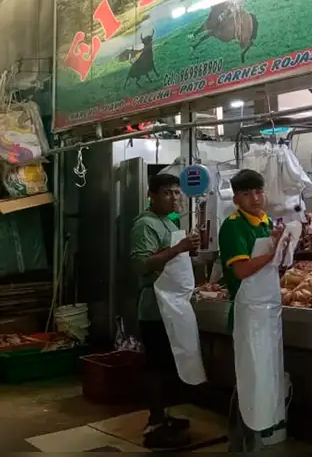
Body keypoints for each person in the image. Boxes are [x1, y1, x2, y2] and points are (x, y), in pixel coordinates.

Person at [131, 173, 201, 449]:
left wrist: (187, 251)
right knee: (157, 368)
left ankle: (165, 416)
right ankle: (155, 427)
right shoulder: (145, 224)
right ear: (151, 195)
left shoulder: (168, 222)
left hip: (171, 305)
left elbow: (169, 258)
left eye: (176, 192)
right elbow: (142, 265)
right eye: (166, 193)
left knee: (170, 366)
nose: (173, 198)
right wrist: (179, 248)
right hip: (154, 308)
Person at [218, 169, 285, 452]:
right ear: (236, 199)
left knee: (265, 376)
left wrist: (284, 245)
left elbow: (276, 267)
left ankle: (262, 434)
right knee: (248, 378)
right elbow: (242, 269)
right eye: (247, 194)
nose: (255, 198)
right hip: (247, 315)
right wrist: (272, 253)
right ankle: (242, 441)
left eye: (259, 192)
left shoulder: (266, 222)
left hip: (268, 313)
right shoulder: (233, 226)